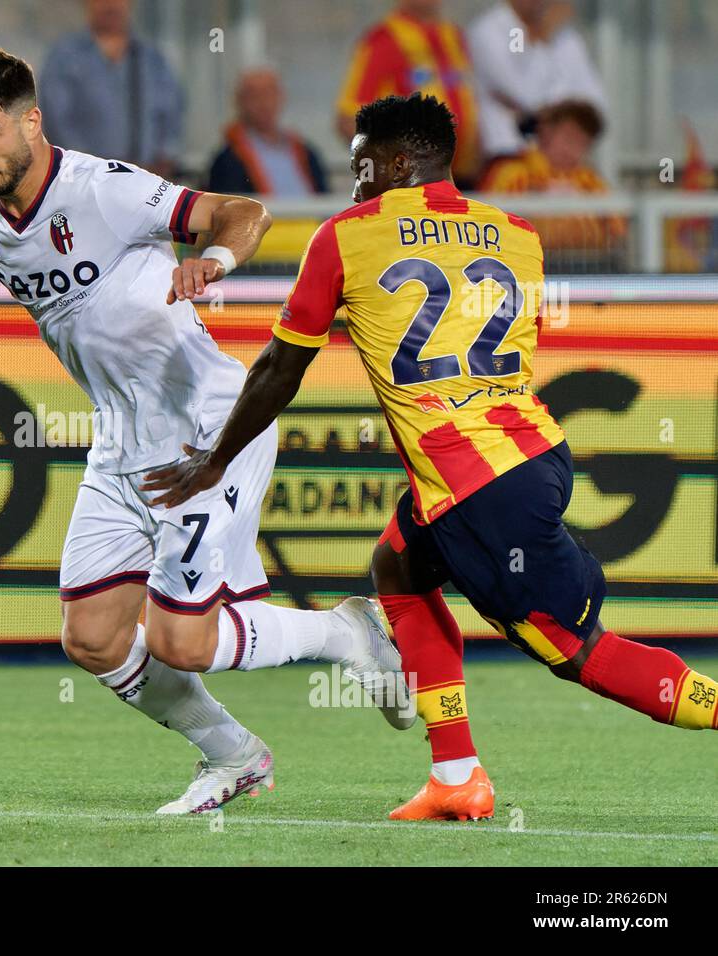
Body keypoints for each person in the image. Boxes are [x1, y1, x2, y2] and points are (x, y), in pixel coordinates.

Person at [0, 48, 409, 816]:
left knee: (181, 642)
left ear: (32, 120)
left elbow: (242, 213)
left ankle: (345, 634)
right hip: (121, 441)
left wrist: (215, 259)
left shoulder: (106, 190)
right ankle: (234, 756)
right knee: (92, 637)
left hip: (207, 429)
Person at [142, 92, 718, 823]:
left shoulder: (347, 236)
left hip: (477, 486)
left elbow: (279, 370)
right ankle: (454, 774)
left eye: (362, 166)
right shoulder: (516, 234)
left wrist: (215, 459)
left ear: (400, 162)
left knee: (579, 653)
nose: (354, 182)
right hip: (525, 451)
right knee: (398, 568)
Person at [335, 0, 479, 184]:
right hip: (416, 186)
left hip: (468, 181)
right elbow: (348, 119)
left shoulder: (455, 35)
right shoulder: (384, 40)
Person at [38, 0, 183, 179]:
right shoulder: (65, 58)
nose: (110, 4)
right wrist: (93, 173)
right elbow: (57, 123)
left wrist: (163, 160)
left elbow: (172, 116)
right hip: (84, 185)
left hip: (146, 184)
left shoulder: (152, 59)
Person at [468, 0, 606, 166]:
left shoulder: (565, 36)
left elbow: (596, 102)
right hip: (510, 161)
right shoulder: (490, 31)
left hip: (566, 164)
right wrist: (543, 37)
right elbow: (527, 95)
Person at [478, 99, 624, 255]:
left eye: (583, 144)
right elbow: (485, 228)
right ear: (546, 131)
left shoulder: (589, 181)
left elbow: (618, 232)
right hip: (521, 269)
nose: (574, 150)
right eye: (569, 139)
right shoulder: (510, 173)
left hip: (585, 271)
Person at [208, 68, 327, 197]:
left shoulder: (305, 152)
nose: (263, 102)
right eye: (254, 95)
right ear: (239, 101)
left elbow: (324, 197)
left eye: (269, 93)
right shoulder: (229, 161)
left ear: (281, 97)